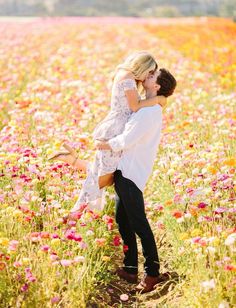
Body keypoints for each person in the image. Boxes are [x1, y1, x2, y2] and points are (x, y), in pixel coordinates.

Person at [48, 51, 166, 211]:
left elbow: (134, 105)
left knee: (106, 176)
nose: (148, 76)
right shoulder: (128, 78)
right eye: (150, 72)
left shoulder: (128, 77)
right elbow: (135, 106)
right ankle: (75, 212)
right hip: (115, 131)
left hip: (119, 129)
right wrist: (158, 99)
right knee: (102, 178)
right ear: (143, 66)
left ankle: (71, 160)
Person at [95, 68, 177, 293]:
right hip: (125, 170)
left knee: (139, 223)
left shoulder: (150, 112)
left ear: (157, 86)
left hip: (130, 173)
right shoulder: (147, 106)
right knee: (123, 219)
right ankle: (130, 267)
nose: (146, 76)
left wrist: (107, 144)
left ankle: (152, 273)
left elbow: (129, 138)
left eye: (152, 76)